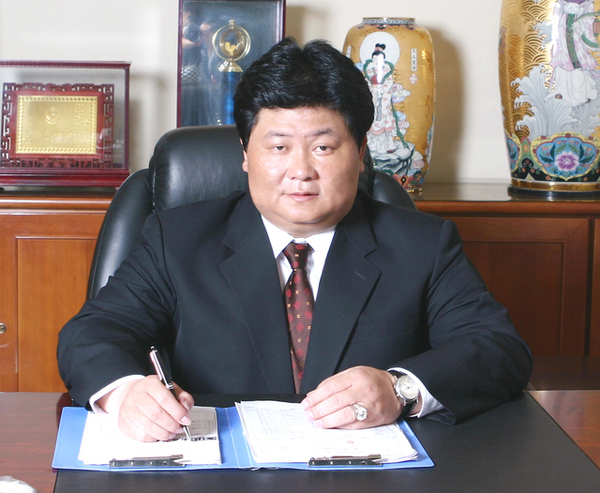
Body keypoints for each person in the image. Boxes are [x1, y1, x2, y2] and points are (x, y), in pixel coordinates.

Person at [57, 38, 532, 442]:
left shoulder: (421, 245)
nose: (301, 171)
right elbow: (91, 333)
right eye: (279, 147)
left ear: (360, 153)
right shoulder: (178, 239)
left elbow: (499, 349)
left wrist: (399, 389)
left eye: (323, 147)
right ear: (246, 154)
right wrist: (126, 393)